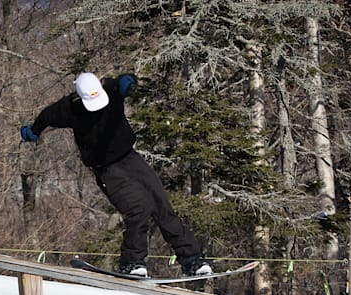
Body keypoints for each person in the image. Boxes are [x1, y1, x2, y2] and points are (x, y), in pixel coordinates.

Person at [20, 72, 212, 277]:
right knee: (139, 209)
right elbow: (47, 115)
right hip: (107, 170)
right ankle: (132, 262)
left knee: (161, 204)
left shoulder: (111, 90)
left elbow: (124, 79)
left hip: (131, 158)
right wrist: (34, 130)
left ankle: (191, 260)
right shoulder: (69, 109)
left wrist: (129, 83)